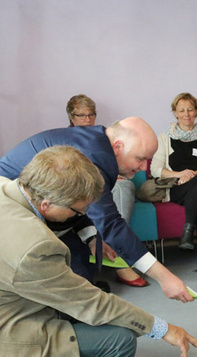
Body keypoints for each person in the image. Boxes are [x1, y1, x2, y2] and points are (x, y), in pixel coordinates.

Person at [0, 146, 197, 357]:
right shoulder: (31, 245)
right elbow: (91, 304)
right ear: (48, 204)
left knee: (101, 301)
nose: (81, 214)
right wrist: (162, 327)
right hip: (11, 334)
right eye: (77, 209)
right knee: (118, 339)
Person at [0, 117, 195, 303]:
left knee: (84, 270)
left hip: (45, 213)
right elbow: (110, 224)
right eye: (140, 158)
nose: (144, 167)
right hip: (13, 213)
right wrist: (165, 277)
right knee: (74, 281)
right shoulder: (96, 158)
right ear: (118, 147)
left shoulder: (98, 142)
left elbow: (81, 205)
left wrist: (91, 237)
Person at [66, 94, 147, 287]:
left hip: (111, 181)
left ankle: (115, 245)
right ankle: (119, 257)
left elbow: (117, 164)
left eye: (90, 114)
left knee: (124, 186)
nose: (87, 119)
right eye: (81, 115)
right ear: (71, 117)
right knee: (96, 194)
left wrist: (114, 173)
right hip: (80, 188)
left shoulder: (104, 139)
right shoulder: (66, 140)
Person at [151, 93, 197, 274]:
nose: (186, 114)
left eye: (190, 109)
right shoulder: (164, 138)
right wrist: (179, 175)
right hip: (179, 187)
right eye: (181, 110)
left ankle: (188, 229)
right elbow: (155, 169)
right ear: (175, 113)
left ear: (196, 112)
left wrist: (192, 175)